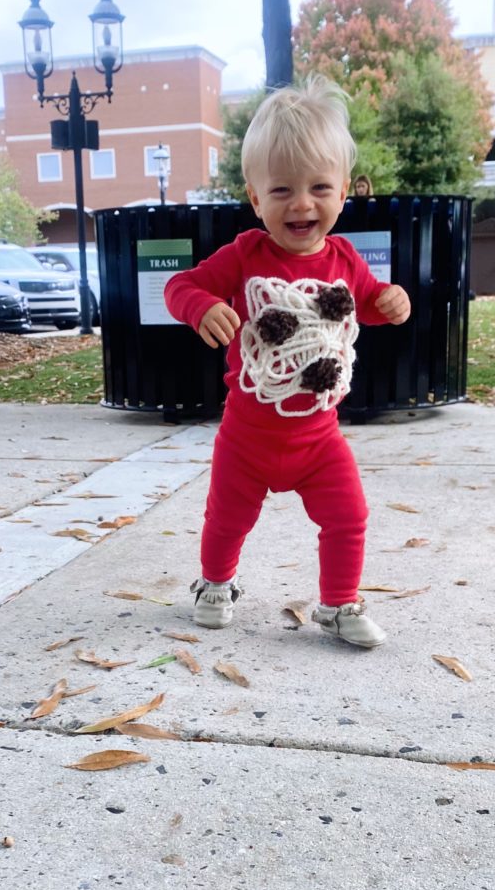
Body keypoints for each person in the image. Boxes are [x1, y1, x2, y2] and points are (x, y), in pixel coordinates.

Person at [163, 77, 410, 649]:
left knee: (349, 516)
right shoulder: (247, 254)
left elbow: (365, 305)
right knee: (226, 520)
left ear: (344, 190)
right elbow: (182, 284)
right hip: (248, 436)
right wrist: (201, 306)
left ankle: (339, 602)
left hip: (318, 439)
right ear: (255, 197)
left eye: (319, 187)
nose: (302, 204)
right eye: (281, 191)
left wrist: (389, 302)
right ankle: (215, 584)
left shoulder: (346, 259)